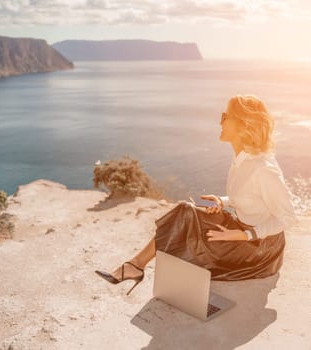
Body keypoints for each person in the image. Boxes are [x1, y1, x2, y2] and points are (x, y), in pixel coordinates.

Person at [95, 95, 298, 295]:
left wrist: (244, 235)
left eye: (225, 116)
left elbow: (288, 218)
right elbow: (251, 197)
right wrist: (222, 201)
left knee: (191, 239)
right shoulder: (241, 158)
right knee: (185, 212)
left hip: (259, 250)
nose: (220, 121)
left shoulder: (264, 169)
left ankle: (135, 267)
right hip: (241, 229)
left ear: (243, 124)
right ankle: (136, 265)